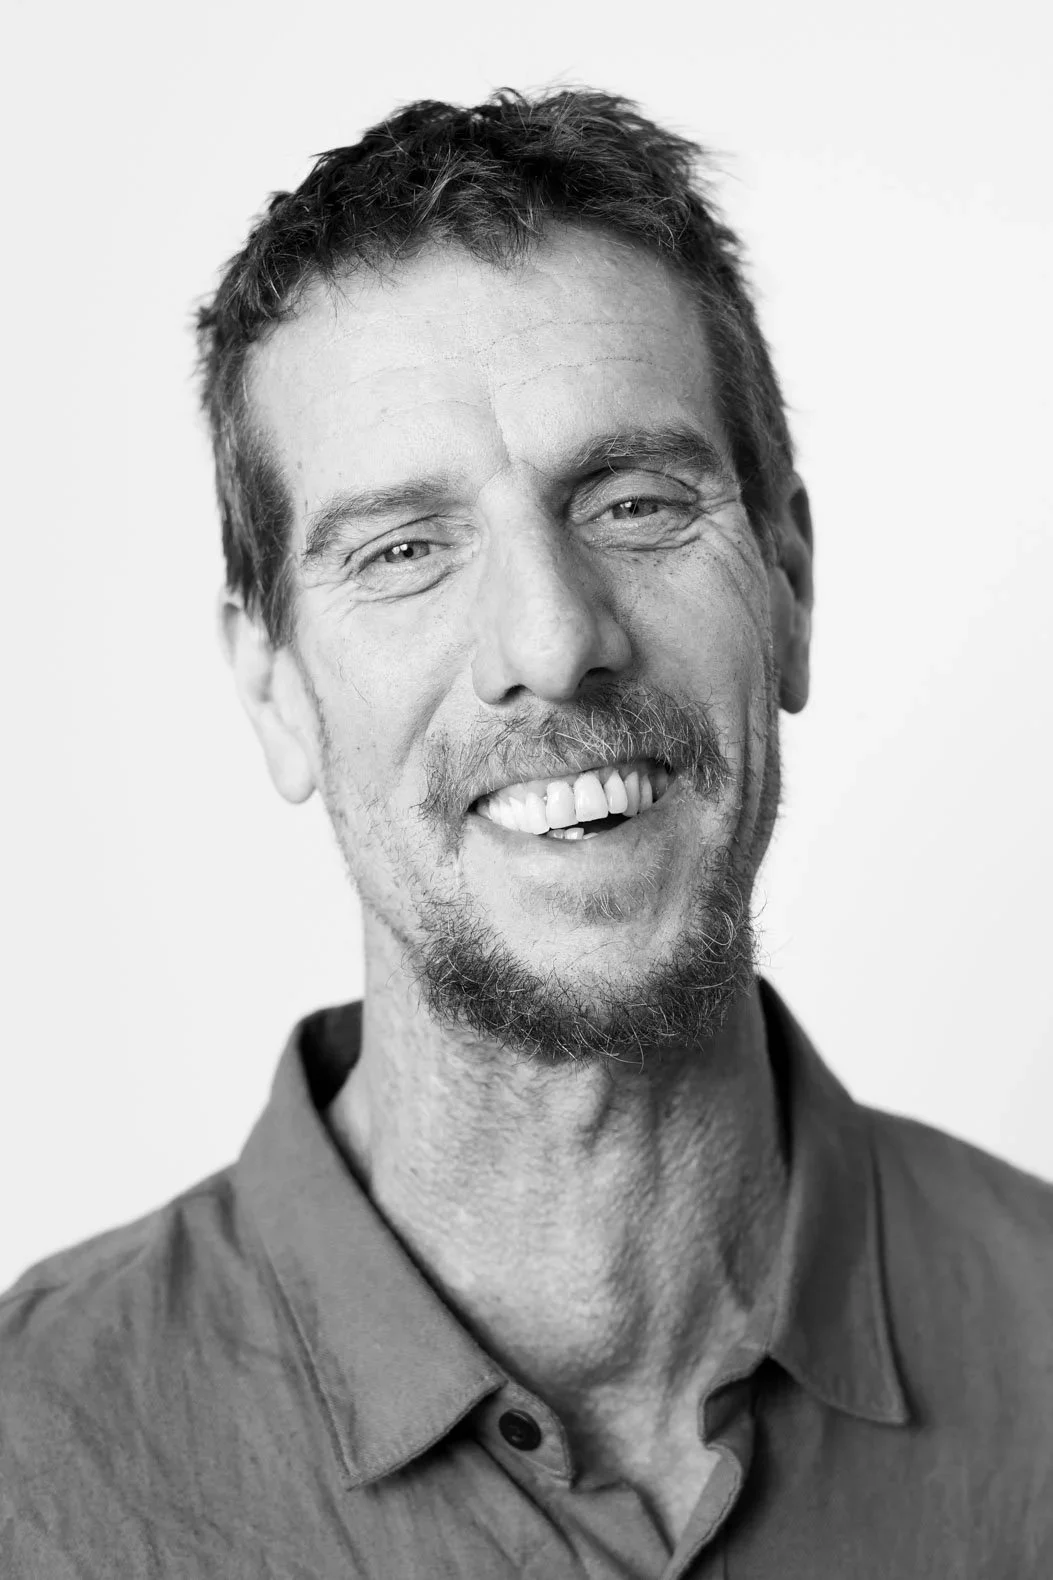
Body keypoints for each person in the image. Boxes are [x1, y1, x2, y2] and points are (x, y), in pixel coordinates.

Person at [1, 88, 1050, 1579]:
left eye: (633, 503)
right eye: (405, 550)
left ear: (791, 586)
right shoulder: (30, 1464)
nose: (553, 641)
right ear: (275, 689)